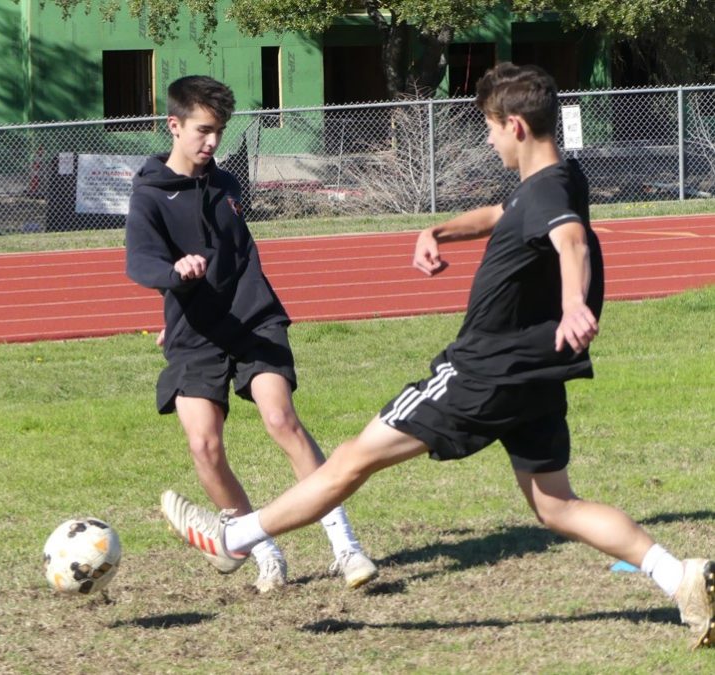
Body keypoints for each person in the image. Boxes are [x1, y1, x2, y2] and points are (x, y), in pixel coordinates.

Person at [158, 64, 714, 647]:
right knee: (556, 506)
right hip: (534, 372)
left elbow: (570, 240)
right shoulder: (558, 176)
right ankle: (680, 578)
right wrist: (441, 231)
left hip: (480, 370)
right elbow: (506, 216)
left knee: (351, 460)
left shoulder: (550, 191)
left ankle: (234, 538)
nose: (490, 140)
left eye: (491, 129)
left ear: (516, 126)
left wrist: (576, 303)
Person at [126, 75, 377, 593]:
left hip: (252, 317)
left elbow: (234, 262)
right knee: (204, 447)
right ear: (173, 126)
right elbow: (141, 261)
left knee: (281, 419)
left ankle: (345, 546)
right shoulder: (149, 195)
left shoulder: (226, 184)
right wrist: (175, 277)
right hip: (194, 332)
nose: (212, 142)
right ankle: (259, 548)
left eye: (218, 131)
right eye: (202, 130)